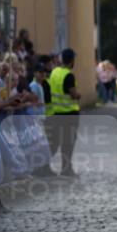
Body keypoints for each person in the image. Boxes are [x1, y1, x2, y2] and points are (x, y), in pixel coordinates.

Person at [48, 48, 81, 177]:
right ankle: (66, 169)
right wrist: (78, 95)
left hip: (56, 113)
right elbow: (73, 94)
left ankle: (43, 166)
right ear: (71, 61)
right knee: (68, 142)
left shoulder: (55, 72)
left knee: (55, 141)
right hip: (69, 114)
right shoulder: (68, 75)